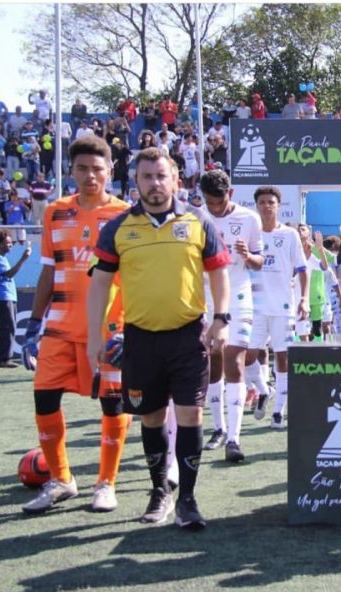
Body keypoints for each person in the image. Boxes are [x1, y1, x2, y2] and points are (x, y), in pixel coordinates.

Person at [87, 148, 232, 530]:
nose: (155, 183)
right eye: (147, 176)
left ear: (175, 179)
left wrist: (221, 318)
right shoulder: (118, 227)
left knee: (190, 415)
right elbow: (100, 283)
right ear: (135, 182)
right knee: (150, 418)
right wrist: (95, 336)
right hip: (140, 339)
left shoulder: (198, 220)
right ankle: (159, 491)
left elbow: (219, 273)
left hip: (187, 338)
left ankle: (187, 498)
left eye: (161, 175)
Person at [19, 135, 132, 515]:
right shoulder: (54, 212)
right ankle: (62, 479)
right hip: (60, 327)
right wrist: (34, 324)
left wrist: (130, 328)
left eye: (97, 169)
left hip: (110, 329)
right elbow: (48, 274)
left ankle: (106, 483)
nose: (90, 176)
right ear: (72, 170)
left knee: (112, 405)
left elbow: (133, 278)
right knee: (44, 397)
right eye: (82, 168)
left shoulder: (125, 215)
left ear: (110, 171)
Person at [199, 170, 263, 462]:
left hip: (239, 296)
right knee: (213, 357)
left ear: (231, 194)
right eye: (210, 203)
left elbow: (259, 261)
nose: (215, 208)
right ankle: (218, 428)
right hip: (207, 297)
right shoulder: (197, 217)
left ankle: (235, 439)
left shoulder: (249, 219)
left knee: (234, 359)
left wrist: (247, 256)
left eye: (220, 201)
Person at [246, 186, 309, 429]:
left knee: (283, 358)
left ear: (278, 206)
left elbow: (302, 270)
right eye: (262, 202)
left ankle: (279, 413)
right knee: (247, 355)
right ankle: (264, 390)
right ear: (257, 205)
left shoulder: (290, 235)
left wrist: (303, 298)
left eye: (271, 202)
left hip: (283, 306)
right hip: (255, 307)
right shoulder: (252, 234)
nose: (267, 206)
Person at [0, 230, 32, 367]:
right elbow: (9, 274)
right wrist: (23, 259)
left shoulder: (1, 258)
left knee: (4, 328)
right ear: (0, 244)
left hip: (5, 296)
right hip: (1, 296)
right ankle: (4, 358)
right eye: (8, 243)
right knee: (8, 327)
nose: (11, 246)